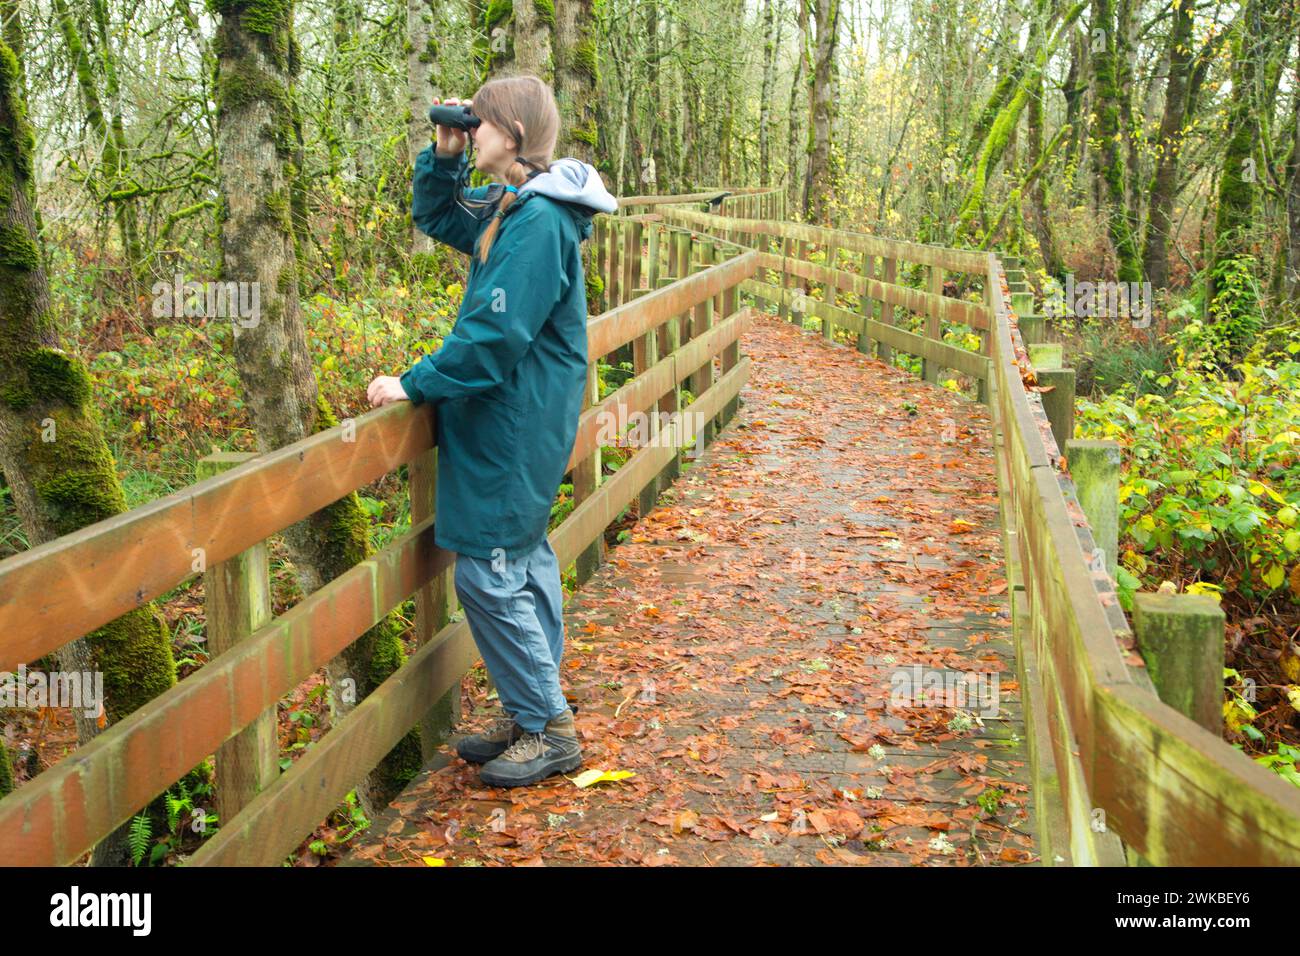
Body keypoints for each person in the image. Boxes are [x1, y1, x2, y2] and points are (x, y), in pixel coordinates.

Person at [366, 75, 617, 787]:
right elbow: (440, 219)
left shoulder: (536, 222)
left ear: (512, 130)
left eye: (478, 124)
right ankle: (531, 711)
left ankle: (551, 730)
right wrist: (444, 156)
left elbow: (496, 333)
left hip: (512, 424)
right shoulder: (517, 203)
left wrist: (414, 381)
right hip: (517, 419)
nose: (471, 131)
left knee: (489, 570)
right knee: (525, 559)